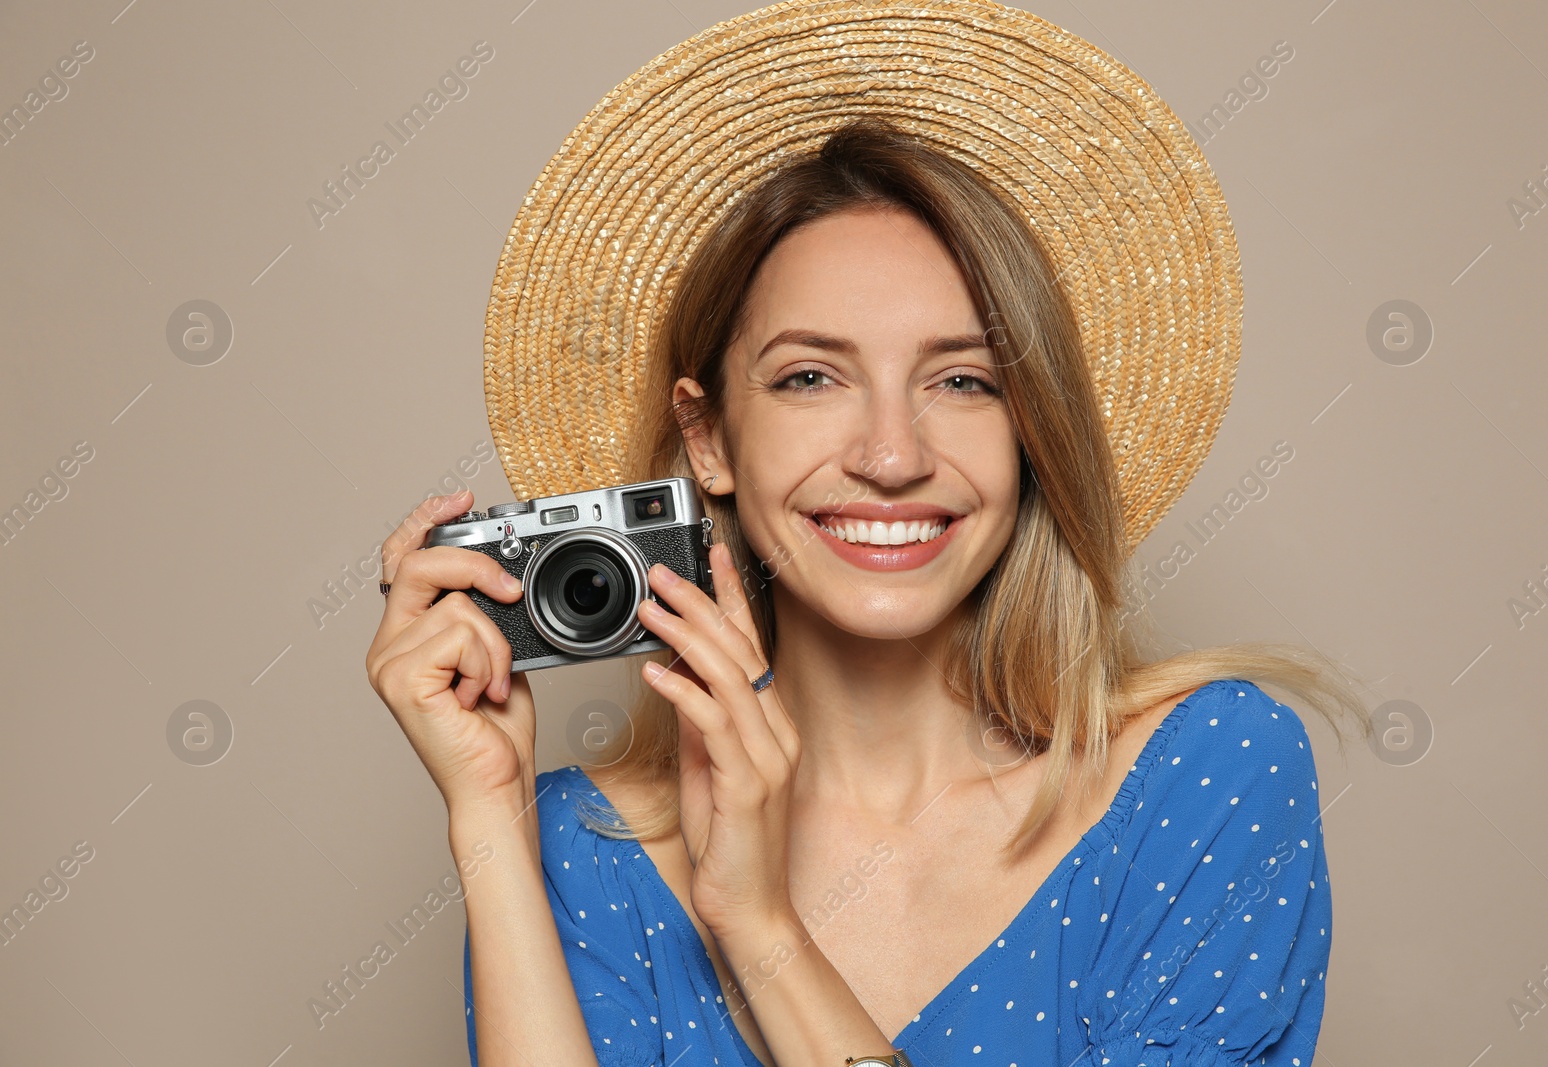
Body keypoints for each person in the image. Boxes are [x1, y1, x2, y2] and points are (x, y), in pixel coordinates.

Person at [366, 6, 1371, 1066]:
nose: (892, 454)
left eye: (963, 380)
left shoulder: (1204, 772)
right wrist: (486, 815)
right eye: (810, 376)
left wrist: (759, 928)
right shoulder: (584, 845)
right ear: (708, 440)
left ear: (1029, 432)